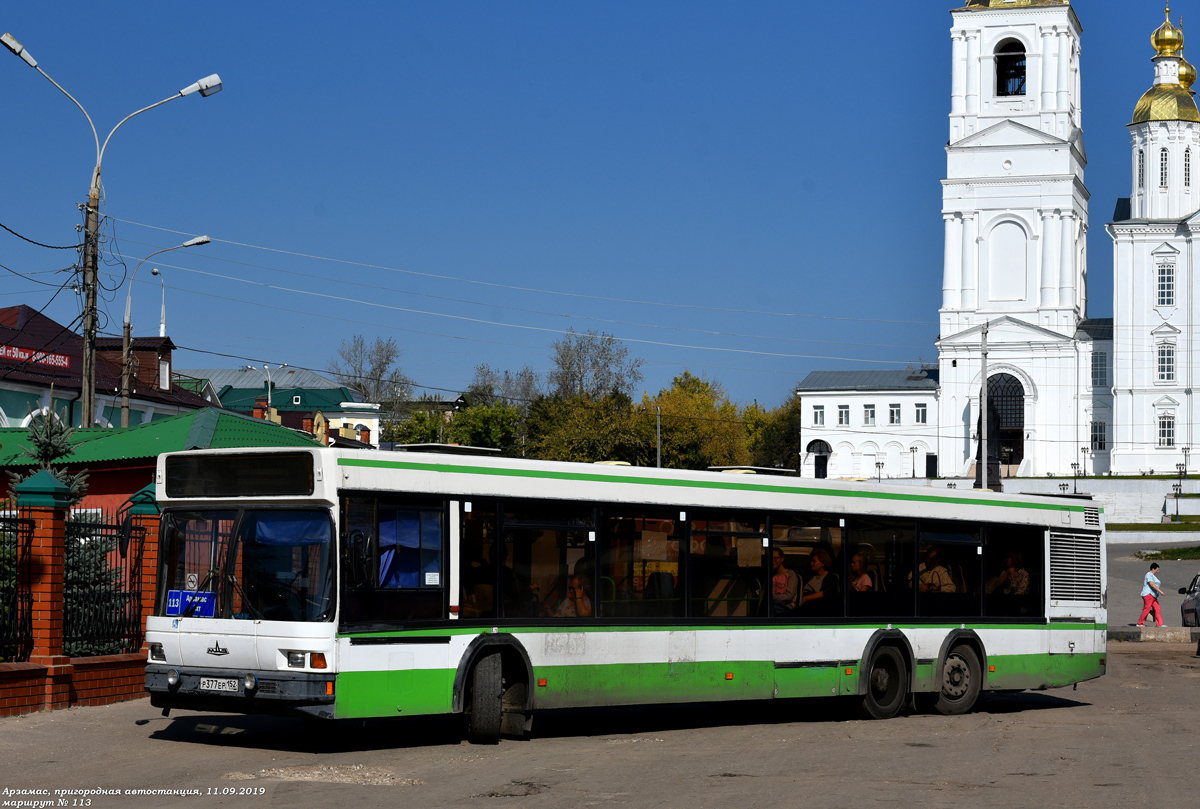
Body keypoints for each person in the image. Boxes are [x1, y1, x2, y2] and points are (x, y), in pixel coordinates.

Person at [770, 548, 800, 614]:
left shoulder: (790, 574)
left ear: (782, 559)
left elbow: (789, 595)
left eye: (775, 558)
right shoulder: (771, 575)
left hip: (785, 606)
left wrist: (772, 596)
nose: (772, 561)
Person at [1138, 562, 1166, 627]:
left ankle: (1159, 624)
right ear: (1153, 569)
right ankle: (1140, 623)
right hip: (1148, 594)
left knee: (1157, 608)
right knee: (1147, 609)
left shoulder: (1152, 576)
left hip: (1153, 595)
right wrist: (1160, 591)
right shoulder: (1149, 575)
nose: (1157, 571)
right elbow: (1152, 585)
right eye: (1157, 570)